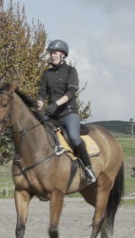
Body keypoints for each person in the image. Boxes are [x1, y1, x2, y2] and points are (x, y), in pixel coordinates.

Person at [36, 39, 96, 185]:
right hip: (52, 115)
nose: (52, 55)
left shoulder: (70, 71)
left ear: (63, 55)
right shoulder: (47, 73)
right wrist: (39, 107)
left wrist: (55, 104)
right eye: (51, 53)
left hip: (68, 113)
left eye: (55, 53)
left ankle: (88, 169)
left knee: (74, 138)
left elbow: (71, 92)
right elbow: (42, 94)